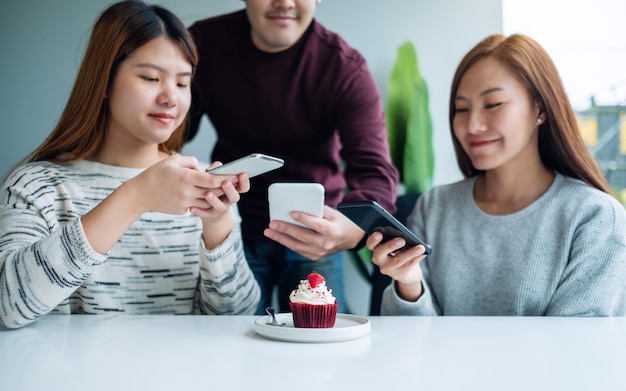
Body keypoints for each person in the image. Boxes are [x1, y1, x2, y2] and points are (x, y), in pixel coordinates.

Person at [0, 1, 260, 329]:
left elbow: (236, 318)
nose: (171, 98)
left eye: (183, 83)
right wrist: (135, 196)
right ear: (104, 81)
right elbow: (7, 306)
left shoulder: (200, 184)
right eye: (151, 78)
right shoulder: (36, 186)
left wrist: (218, 226)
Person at [367, 34, 626, 316]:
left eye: (493, 104)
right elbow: (411, 343)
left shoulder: (595, 218)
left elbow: (574, 350)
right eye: (462, 109)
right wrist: (409, 285)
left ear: (540, 108)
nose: (473, 125)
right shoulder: (434, 207)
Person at [186, 0, 399, 314]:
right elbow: (170, 128)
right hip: (230, 227)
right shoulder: (203, 45)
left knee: (319, 353)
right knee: (227, 347)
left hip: (315, 230)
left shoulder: (343, 66)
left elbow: (375, 171)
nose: (284, 2)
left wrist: (351, 230)